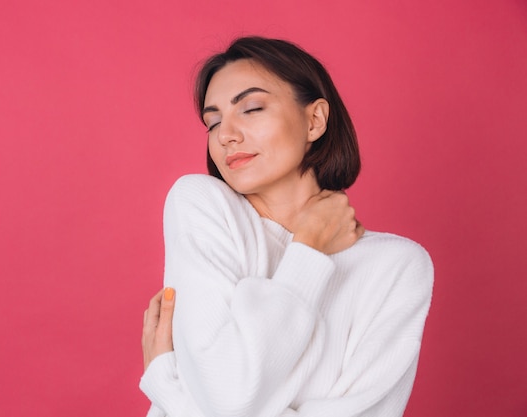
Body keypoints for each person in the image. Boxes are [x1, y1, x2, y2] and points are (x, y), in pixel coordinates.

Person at [140, 36, 433, 417]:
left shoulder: (397, 267)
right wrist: (308, 250)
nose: (226, 134)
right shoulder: (201, 205)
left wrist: (169, 385)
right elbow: (227, 399)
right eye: (213, 122)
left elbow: (222, 405)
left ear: (314, 120)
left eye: (252, 108)